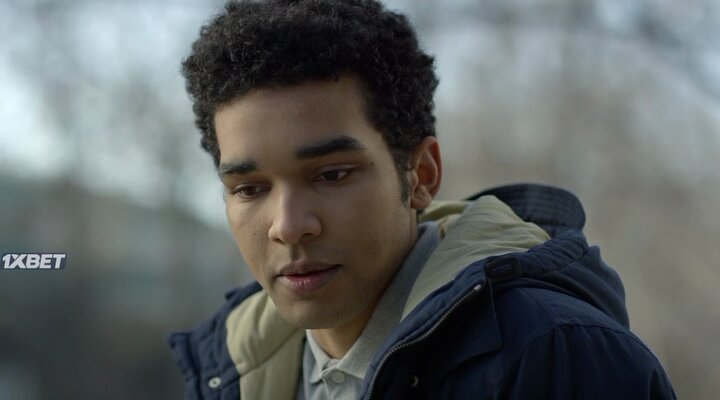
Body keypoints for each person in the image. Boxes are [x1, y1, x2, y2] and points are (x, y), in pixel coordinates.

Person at [167, 1, 676, 398]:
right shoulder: (230, 374)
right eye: (249, 189)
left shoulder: (556, 357)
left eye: (332, 175)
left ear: (422, 174)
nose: (288, 225)